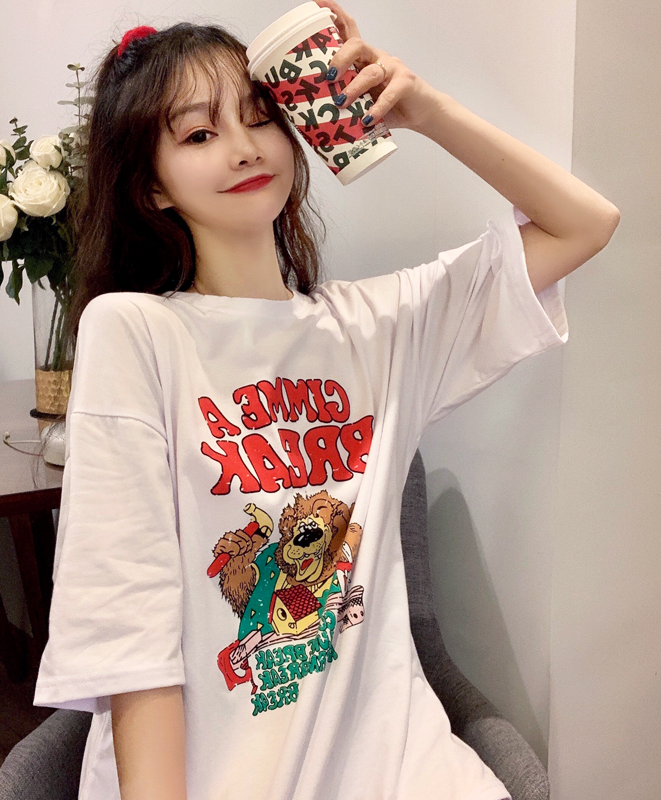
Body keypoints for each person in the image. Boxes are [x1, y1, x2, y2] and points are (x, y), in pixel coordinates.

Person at [33, 2, 619, 799]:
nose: (244, 148)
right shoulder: (135, 331)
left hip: (396, 766)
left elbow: (584, 223)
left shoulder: (378, 327)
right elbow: (125, 626)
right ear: (152, 186)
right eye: (199, 135)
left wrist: (423, 109)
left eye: (259, 117)